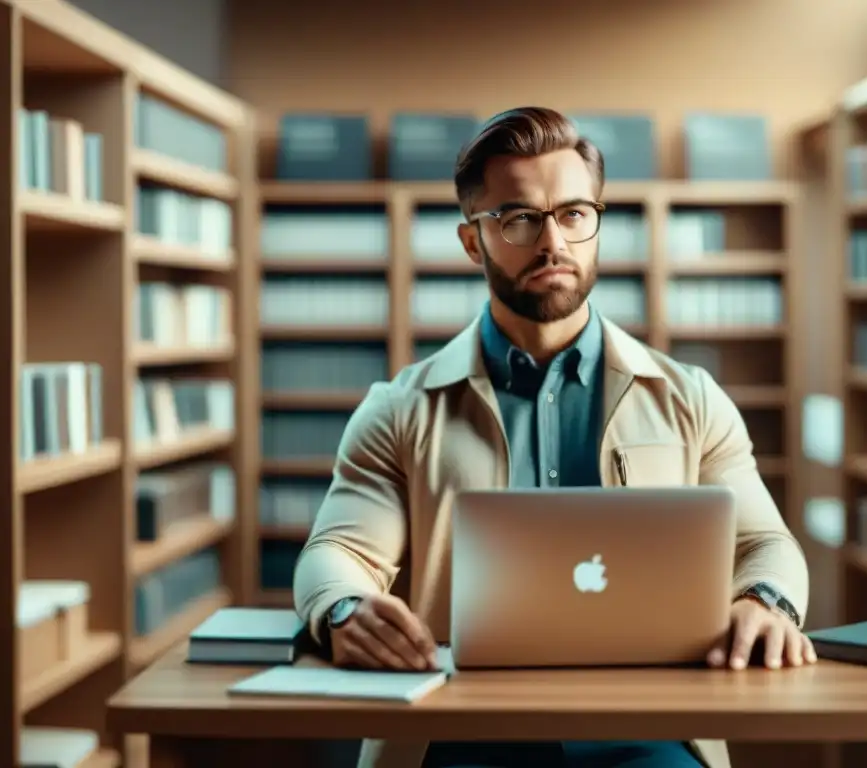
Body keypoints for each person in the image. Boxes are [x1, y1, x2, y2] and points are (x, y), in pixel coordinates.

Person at [294, 106, 814, 768]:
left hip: (650, 737)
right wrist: (342, 608)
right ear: (472, 241)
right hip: (457, 740)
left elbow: (766, 543)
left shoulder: (690, 398)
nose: (553, 243)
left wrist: (765, 602)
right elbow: (336, 551)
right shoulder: (399, 410)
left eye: (573, 214)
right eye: (519, 218)